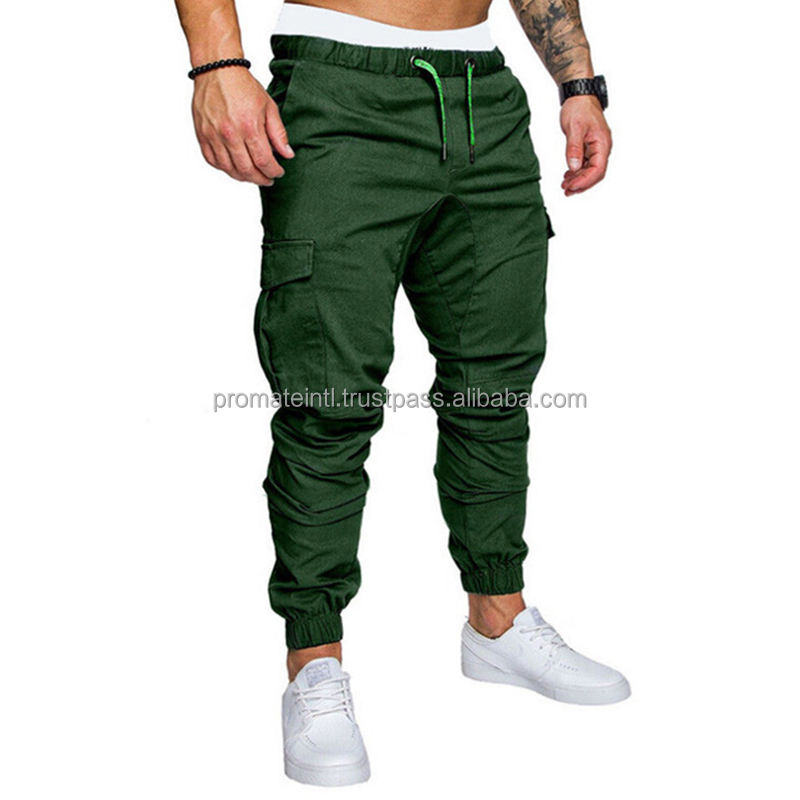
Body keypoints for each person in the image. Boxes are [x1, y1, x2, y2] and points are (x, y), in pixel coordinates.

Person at [175, 0, 628, 786]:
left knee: (494, 389)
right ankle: (314, 662)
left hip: (483, 94)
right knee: (328, 400)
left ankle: (497, 620)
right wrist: (217, 63)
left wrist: (577, 82)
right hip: (339, 89)